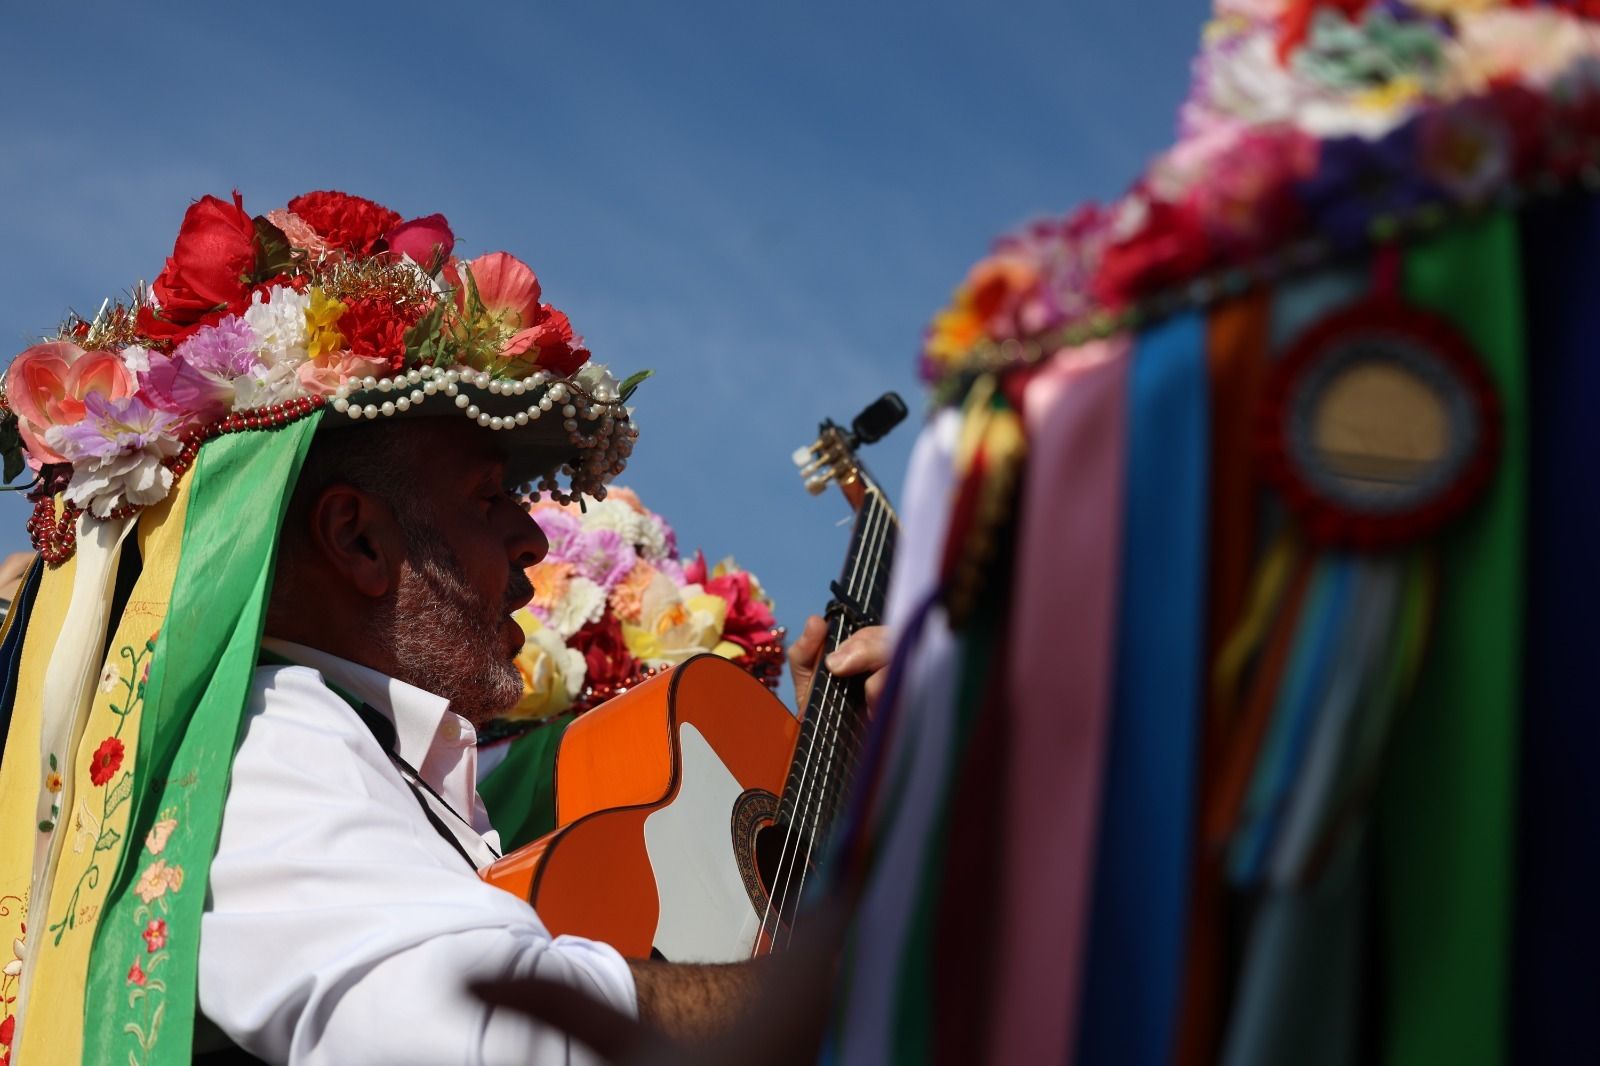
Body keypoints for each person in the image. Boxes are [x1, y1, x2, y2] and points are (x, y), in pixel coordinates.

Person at [197, 415, 889, 1062]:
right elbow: (469, 1032)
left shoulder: (410, 768)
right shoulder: (274, 725)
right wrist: (834, 989)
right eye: (487, 496)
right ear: (358, 539)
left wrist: (851, 784)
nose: (533, 537)